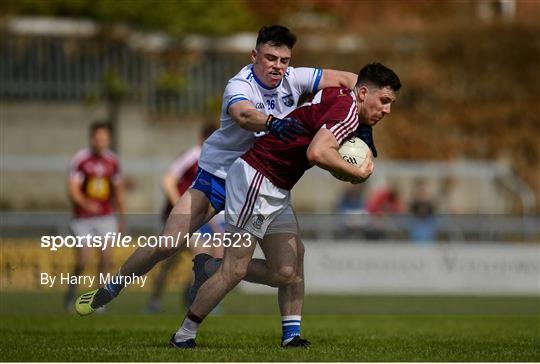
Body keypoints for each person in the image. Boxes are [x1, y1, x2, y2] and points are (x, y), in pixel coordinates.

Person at [75, 25, 358, 347]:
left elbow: (352, 81)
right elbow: (243, 115)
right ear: (254, 56)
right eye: (270, 58)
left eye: (284, 59)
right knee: (169, 243)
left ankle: (291, 334)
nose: (278, 65)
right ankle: (112, 287)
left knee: (293, 260)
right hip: (218, 178)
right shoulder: (240, 84)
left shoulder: (295, 77)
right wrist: (273, 122)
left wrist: (359, 123)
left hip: (261, 178)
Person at [173, 62, 401, 348]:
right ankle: (184, 333)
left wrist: (359, 139)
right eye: (384, 101)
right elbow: (317, 152)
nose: (387, 110)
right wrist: (355, 173)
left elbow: (322, 133)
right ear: (364, 92)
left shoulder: (342, 97)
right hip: (256, 179)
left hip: (276, 186)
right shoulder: (347, 111)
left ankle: (290, 334)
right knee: (235, 270)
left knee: (287, 269)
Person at [146, 124, 224, 313]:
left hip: (200, 218)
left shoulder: (218, 160)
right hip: (182, 218)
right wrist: (181, 210)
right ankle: (156, 300)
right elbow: (167, 181)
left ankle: (196, 297)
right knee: (170, 261)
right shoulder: (193, 155)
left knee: (214, 255)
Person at [64, 122, 125, 309]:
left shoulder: (113, 161)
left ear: (109, 140)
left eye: (105, 139)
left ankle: (98, 301)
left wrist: (122, 217)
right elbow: (72, 190)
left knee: (106, 258)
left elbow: (118, 192)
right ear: (92, 139)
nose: (101, 142)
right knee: (83, 259)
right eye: (98, 139)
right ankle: (71, 291)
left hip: (106, 216)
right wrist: (86, 204)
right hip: (83, 218)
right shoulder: (81, 160)